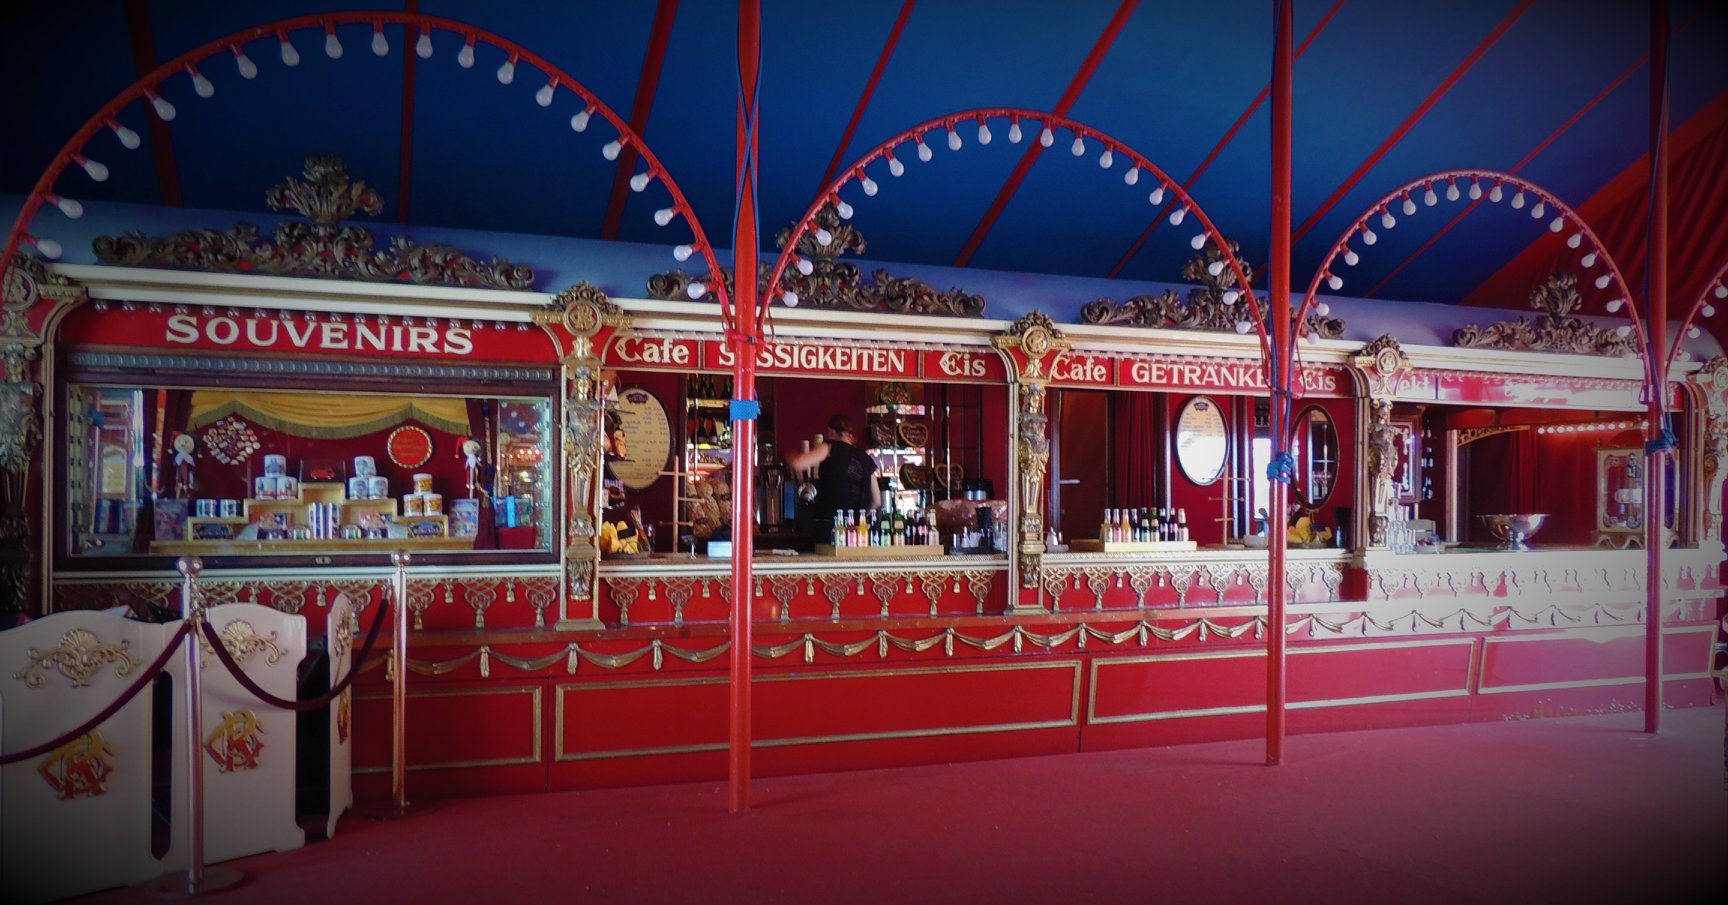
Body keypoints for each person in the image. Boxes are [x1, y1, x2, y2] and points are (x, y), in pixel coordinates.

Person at [786, 414, 881, 535]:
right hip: (857, 530)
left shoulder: (830, 447)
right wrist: (859, 519)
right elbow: (877, 501)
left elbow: (798, 463)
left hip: (830, 526)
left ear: (830, 431)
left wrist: (788, 455)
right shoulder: (866, 458)